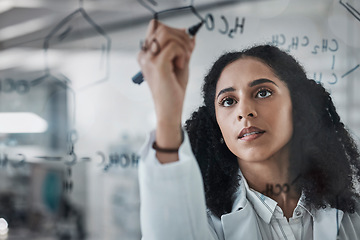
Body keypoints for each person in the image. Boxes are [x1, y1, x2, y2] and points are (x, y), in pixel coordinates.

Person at [137, 20, 360, 240]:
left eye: (263, 93)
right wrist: (168, 112)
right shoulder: (204, 224)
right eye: (228, 101)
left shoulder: (351, 215)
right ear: (218, 127)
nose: (244, 111)